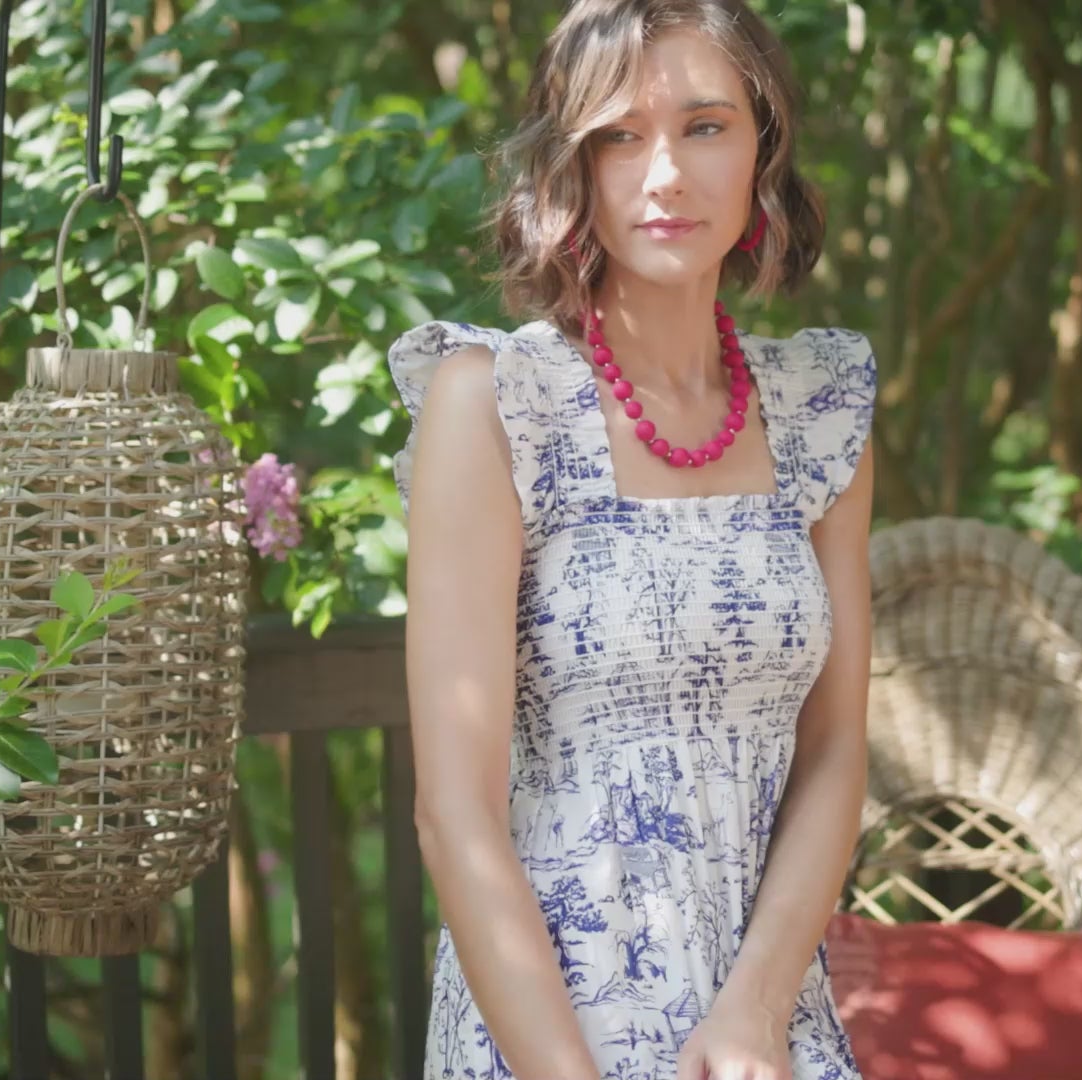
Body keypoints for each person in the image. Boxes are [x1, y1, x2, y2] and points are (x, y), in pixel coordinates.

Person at [386, 1, 874, 1076]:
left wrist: (755, 1014)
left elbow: (836, 750)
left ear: (763, 148)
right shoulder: (496, 403)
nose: (665, 174)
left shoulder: (819, 409)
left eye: (705, 126)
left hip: (763, 1027)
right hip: (548, 1031)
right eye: (619, 136)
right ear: (574, 168)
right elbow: (452, 815)